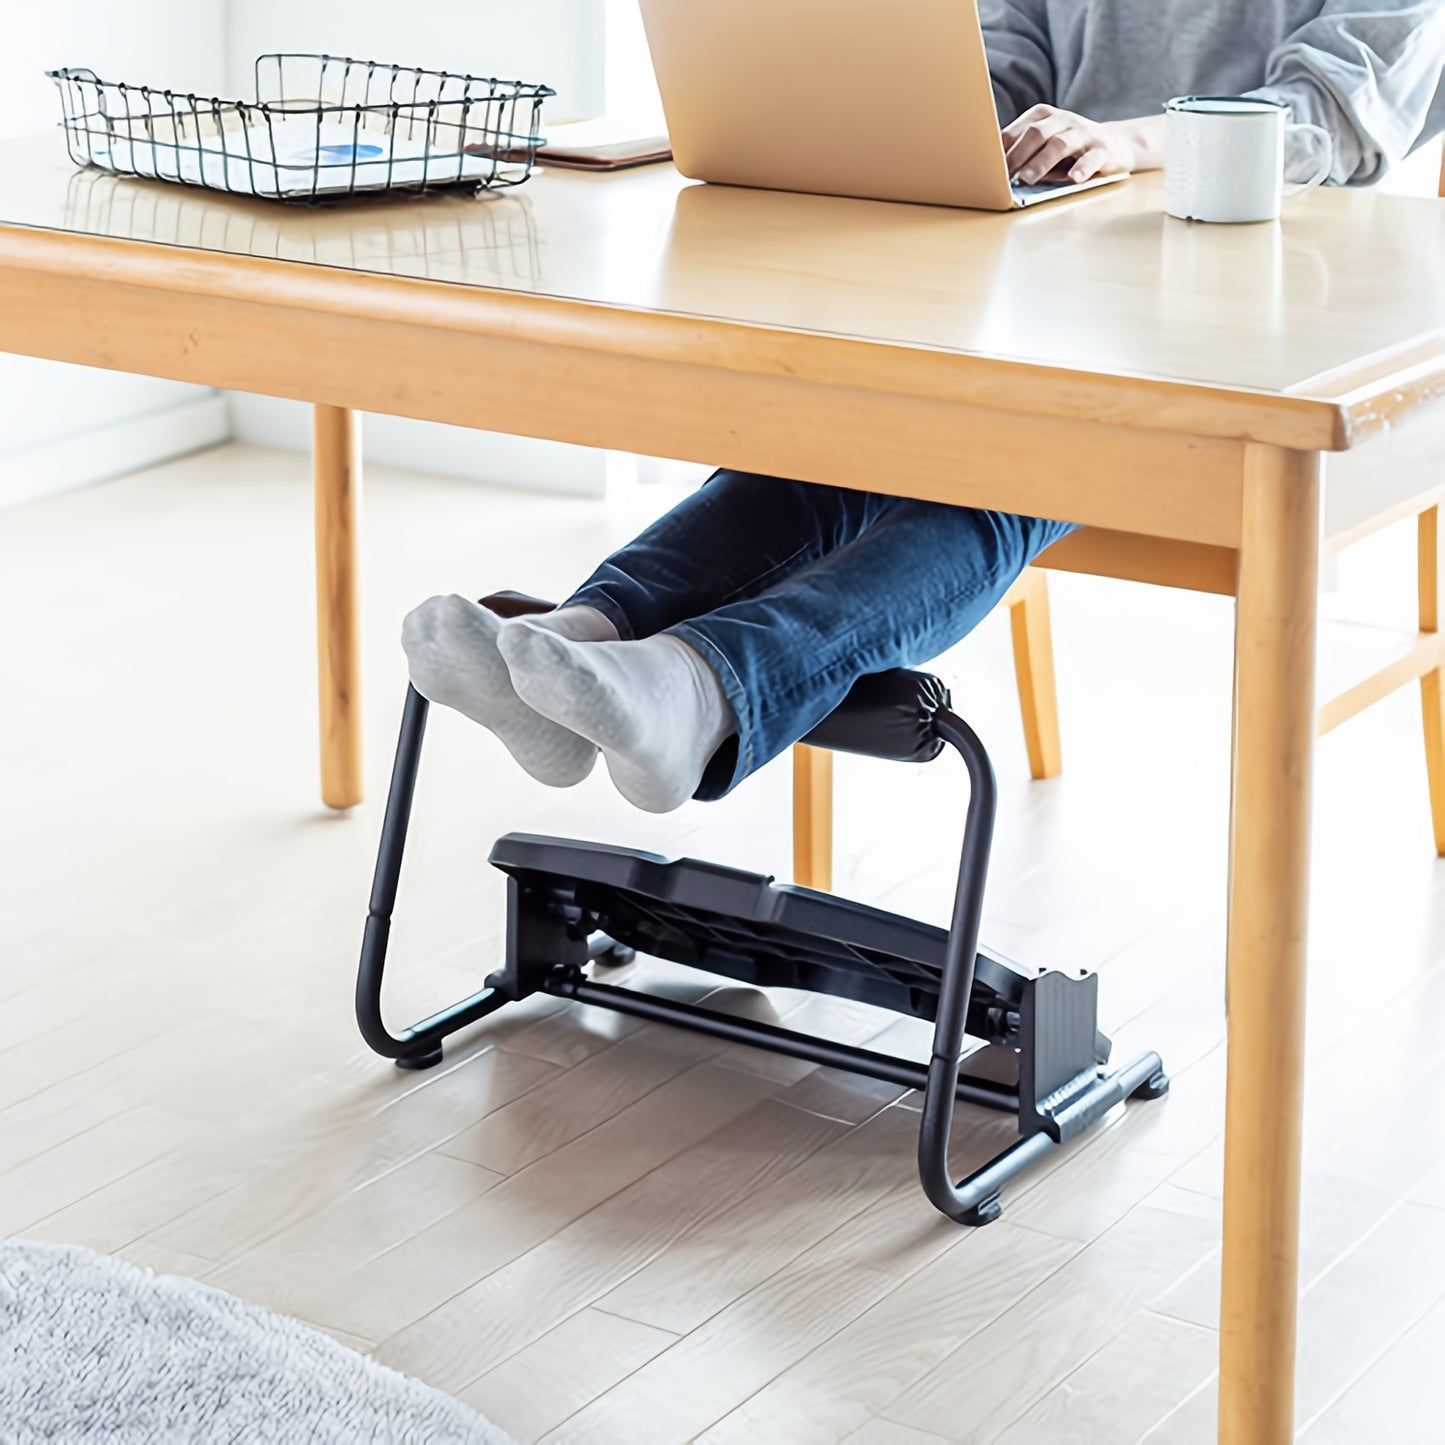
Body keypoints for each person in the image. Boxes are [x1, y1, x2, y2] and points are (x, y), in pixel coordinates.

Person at [403, 0, 1445, 815]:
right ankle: (587, 644)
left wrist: (1125, 143)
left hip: (1258, 313)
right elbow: (1001, 63)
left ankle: (703, 685)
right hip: (1050, 275)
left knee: (1007, 465)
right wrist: (909, 123)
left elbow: (1334, 116)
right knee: (832, 434)